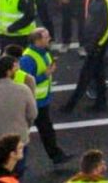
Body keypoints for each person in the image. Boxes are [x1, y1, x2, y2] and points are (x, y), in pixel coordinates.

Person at [15, 29, 70, 167]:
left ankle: (56, 155)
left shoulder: (43, 53)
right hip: (33, 101)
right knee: (30, 132)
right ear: (37, 40)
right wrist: (45, 75)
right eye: (46, 37)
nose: (49, 39)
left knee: (46, 129)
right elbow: (25, 81)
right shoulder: (28, 59)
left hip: (41, 100)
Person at [62, 0, 108, 114]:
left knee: (85, 76)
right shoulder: (93, 0)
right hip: (92, 44)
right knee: (98, 75)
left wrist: (99, 45)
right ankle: (101, 103)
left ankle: (70, 106)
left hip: (96, 46)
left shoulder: (106, 1)